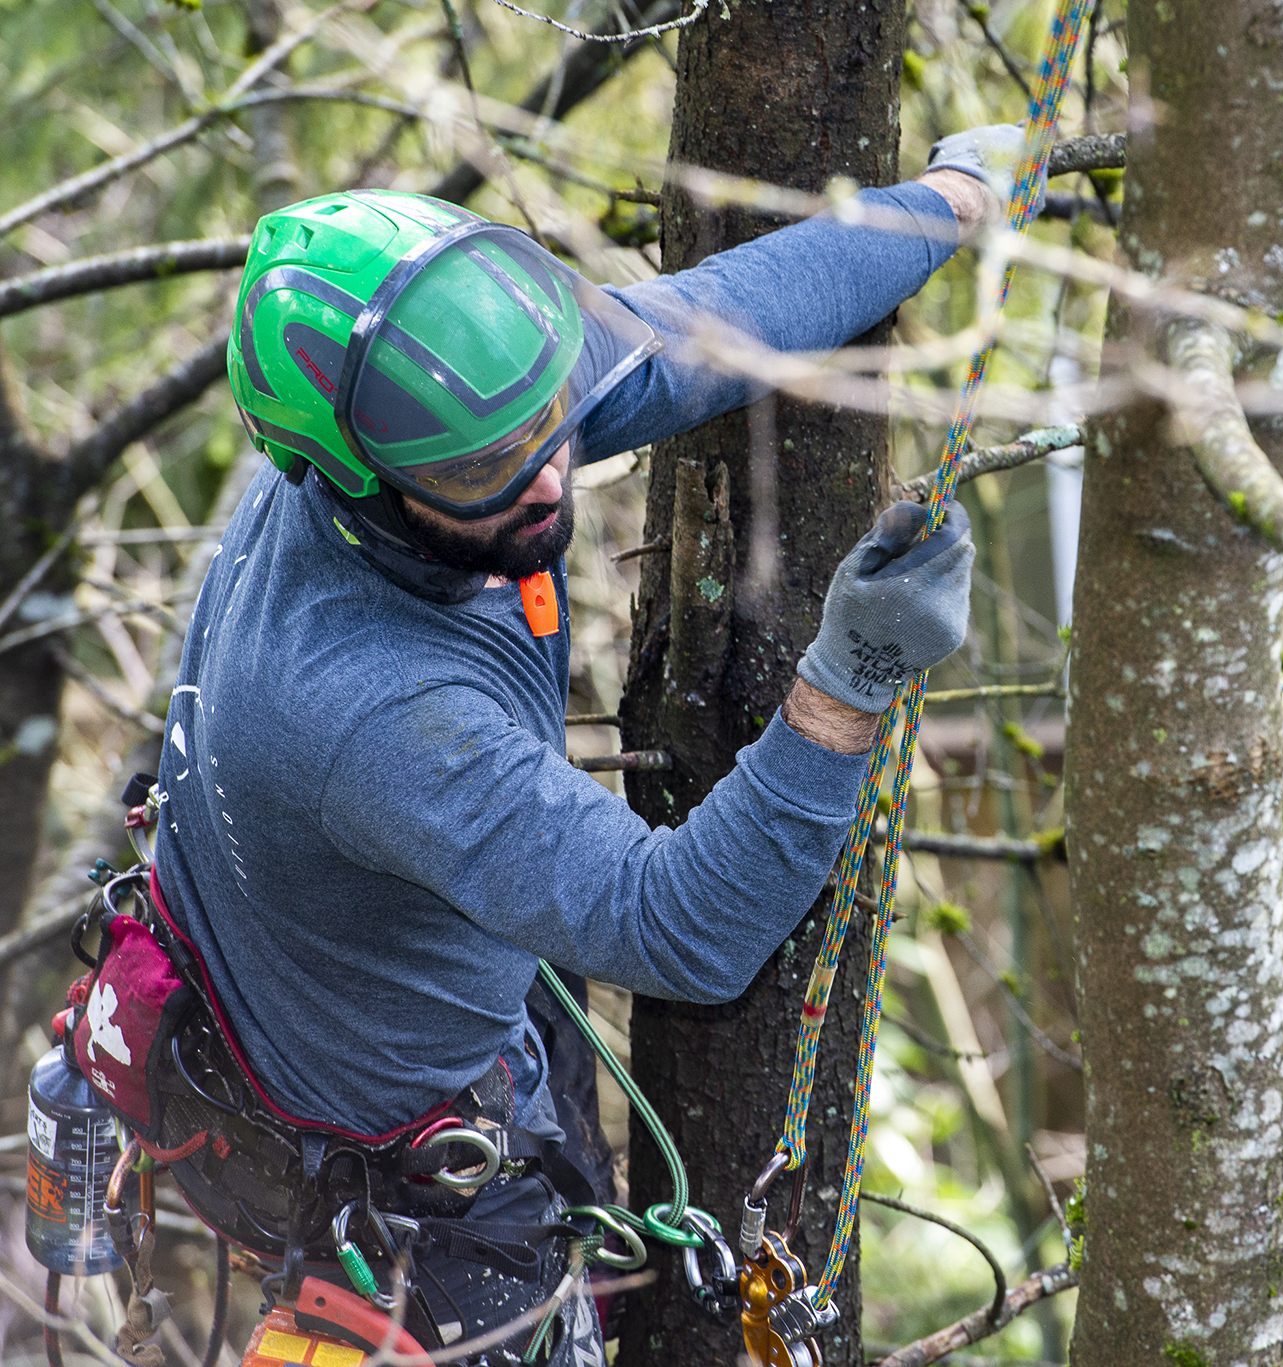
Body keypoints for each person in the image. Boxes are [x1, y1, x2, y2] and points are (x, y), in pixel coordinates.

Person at [142, 126, 1024, 1365]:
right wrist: (855, 674)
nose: (552, 476)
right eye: (490, 469)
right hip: (390, 1183)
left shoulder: (444, 403)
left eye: (551, 422)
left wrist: (948, 202)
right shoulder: (371, 710)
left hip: (360, 996)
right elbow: (683, 930)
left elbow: (706, 327)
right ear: (355, 481)